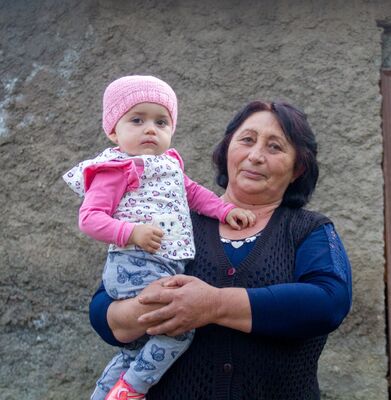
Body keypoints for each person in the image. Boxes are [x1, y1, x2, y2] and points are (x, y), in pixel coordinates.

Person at [89, 100, 353, 399]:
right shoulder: (173, 219)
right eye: (247, 140)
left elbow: (330, 302)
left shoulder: (308, 230)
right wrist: (153, 308)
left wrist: (213, 305)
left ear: (297, 168)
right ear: (227, 149)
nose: (255, 156)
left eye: (275, 147)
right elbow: (102, 313)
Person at [63, 75, 255, 400]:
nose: (150, 129)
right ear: (113, 130)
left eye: (161, 121)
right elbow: (90, 219)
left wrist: (224, 211)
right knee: (178, 330)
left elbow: (195, 194)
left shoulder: (169, 167)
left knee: (135, 346)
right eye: (137, 120)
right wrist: (131, 232)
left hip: (163, 267)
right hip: (134, 264)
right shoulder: (117, 168)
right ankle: (133, 390)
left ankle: (107, 393)